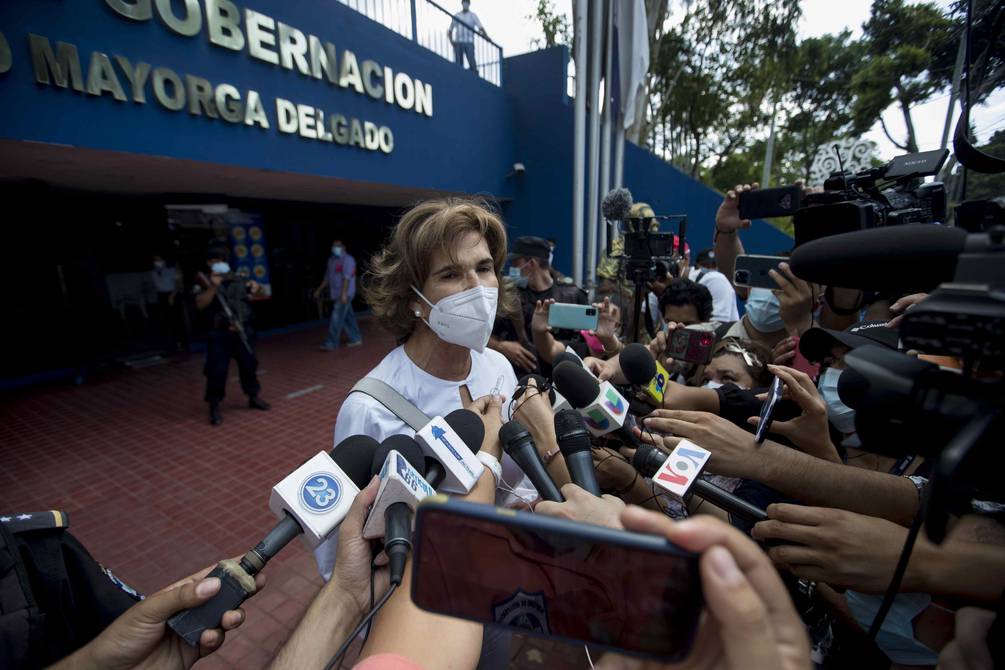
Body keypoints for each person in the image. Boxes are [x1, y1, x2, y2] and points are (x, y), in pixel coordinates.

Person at [490, 235, 588, 373]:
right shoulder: (511, 296)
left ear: (531, 263)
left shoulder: (573, 296)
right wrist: (501, 346)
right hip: (521, 380)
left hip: (562, 378)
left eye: (516, 262)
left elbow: (585, 345)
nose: (513, 268)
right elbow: (485, 336)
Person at [194, 247, 270, 426]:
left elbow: (262, 293)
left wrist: (257, 288)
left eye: (221, 259)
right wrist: (214, 286)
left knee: (249, 365)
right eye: (214, 260)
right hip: (219, 334)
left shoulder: (238, 278)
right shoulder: (203, 281)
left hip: (242, 331)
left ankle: (253, 396)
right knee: (216, 370)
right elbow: (199, 304)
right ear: (209, 263)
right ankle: (214, 404)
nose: (218, 263)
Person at [314, 239, 363, 351]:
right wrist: (319, 290)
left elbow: (347, 277)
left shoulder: (348, 260)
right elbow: (327, 278)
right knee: (347, 317)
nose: (335, 247)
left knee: (336, 318)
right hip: (335, 294)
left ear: (343, 247)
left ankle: (331, 343)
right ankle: (356, 338)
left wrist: (344, 294)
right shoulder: (331, 260)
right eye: (334, 245)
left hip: (345, 294)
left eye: (338, 245)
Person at [692, 247, 740, 323]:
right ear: (697, 266)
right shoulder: (693, 280)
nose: (711, 269)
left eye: (714, 265)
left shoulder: (719, 280)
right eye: (706, 265)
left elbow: (717, 324)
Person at [151, 254, 187, 352]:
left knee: (177, 319)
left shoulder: (171, 270)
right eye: (155, 260)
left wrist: (172, 295)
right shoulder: (153, 273)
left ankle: (182, 343)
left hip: (172, 294)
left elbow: (178, 284)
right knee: (165, 321)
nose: (157, 262)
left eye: (159, 259)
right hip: (161, 295)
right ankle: (171, 343)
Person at [448, 0, 485, 72]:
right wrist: (452, 42)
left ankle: (474, 73)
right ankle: (459, 75)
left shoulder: (473, 16)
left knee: (471, 61)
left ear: (469, 4)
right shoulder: (457, 15)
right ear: (462, 3)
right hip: (458, 42)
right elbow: (450, 30)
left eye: (467, 2)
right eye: (464, 2)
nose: (465, 4)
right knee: (458, 63)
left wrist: (486, 37)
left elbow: (480, 28)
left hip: (469, 42)